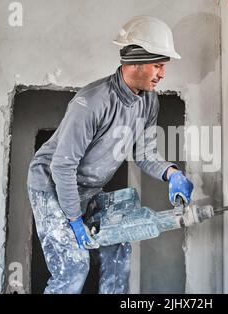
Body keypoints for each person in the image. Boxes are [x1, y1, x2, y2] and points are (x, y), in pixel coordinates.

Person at [26, 16, 194, 294]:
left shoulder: (148, 100)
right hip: (52, 185)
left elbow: (144, 154)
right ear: (137, 61)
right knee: (73, 267)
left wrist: (172, 174)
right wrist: (74, 221)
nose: (162, 73)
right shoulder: (92, 102)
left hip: (89, 188)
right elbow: (62, 167)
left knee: (119, 250)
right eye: (158, 65)